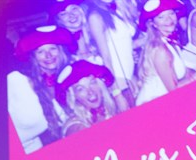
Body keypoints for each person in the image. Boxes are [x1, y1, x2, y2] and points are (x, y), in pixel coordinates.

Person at [8, 25, 75, 153]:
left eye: (52, 48)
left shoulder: (68, 81)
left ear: (60, 50)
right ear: (34, 57)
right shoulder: (16, 80)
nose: (48, 55)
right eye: (40, 52)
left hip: (40, 151)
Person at [134, 0, 196, 106]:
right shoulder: (160, 50)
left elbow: (183, 72)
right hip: (153, 106)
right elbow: (174, 91)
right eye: (161, 17)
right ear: (153, 24)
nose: (169, 19)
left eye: (171, 13)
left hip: (166, 102)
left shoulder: (170, 40)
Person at [56, 60, 118, 135]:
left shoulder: (110, 110)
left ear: (100, 84)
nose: (90, 92)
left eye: (92, 83)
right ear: (74, 97)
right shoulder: (76, 127)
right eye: (80, 89)